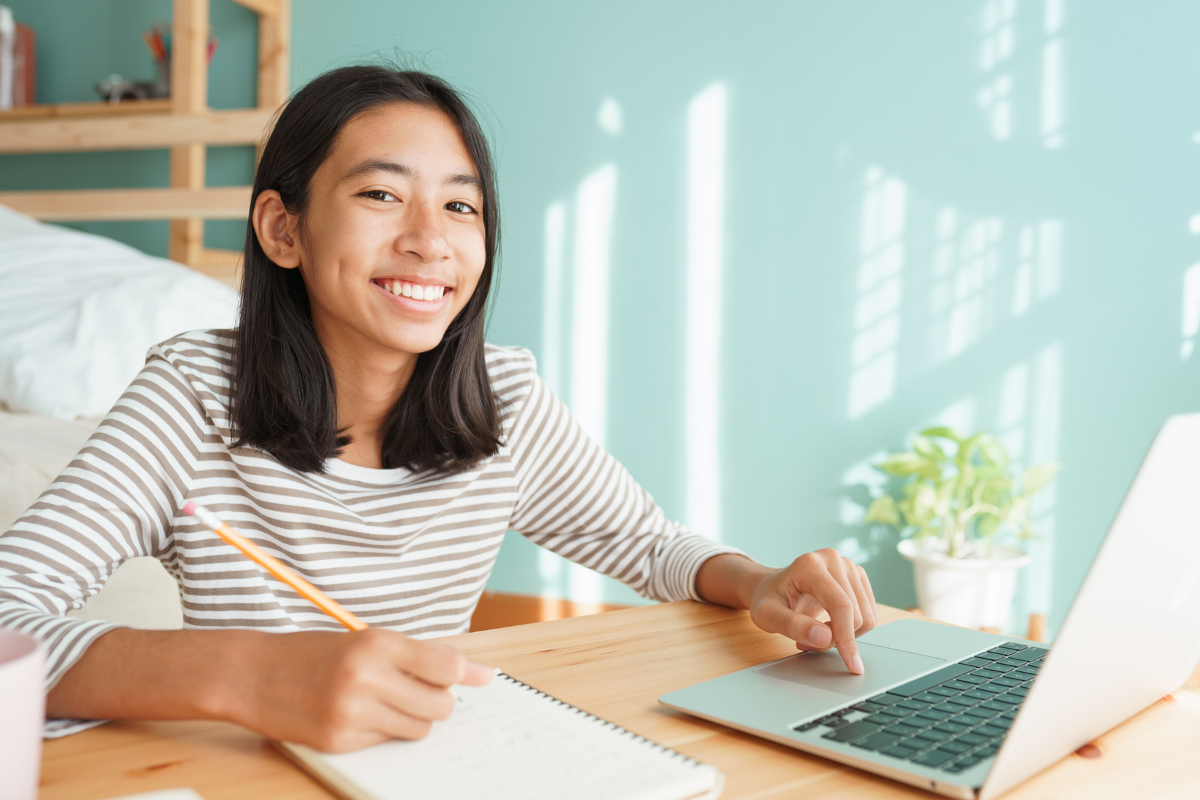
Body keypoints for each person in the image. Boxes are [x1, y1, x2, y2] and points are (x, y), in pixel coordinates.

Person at [0, 65, 877, 754]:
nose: (430, 238)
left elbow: (647, 545)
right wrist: (250, 673)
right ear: (283, 230)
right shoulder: (192, 395)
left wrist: (759, 582)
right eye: (381, 194)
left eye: (462, 205)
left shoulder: (507, 400)